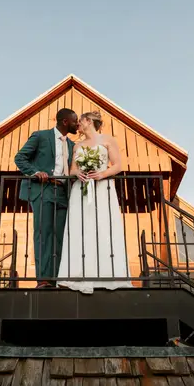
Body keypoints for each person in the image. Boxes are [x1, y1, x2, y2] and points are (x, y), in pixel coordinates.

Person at [57, 111, 133, 294]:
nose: (78, 126)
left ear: (89, 121)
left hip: (102, 189)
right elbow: (72, 170)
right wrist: (78, 174)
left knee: (103, 226)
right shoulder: (77, 146)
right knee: (80, 228)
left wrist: (101, 174)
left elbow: (117, 165)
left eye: (80, 122)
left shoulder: (108, 140)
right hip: (81, 191)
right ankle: (77, 273)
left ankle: (107, 273)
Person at [14, 108, 79, 288]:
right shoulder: (41, 136)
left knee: (60, 235)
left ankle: (58, 278)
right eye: (75, 121)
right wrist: (35, 172)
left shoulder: (73, 146)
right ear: (65, 121)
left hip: (63, 193)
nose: (78, 124)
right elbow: (20, 158)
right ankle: (44, 279)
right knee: (44, 233)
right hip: (43, 189)